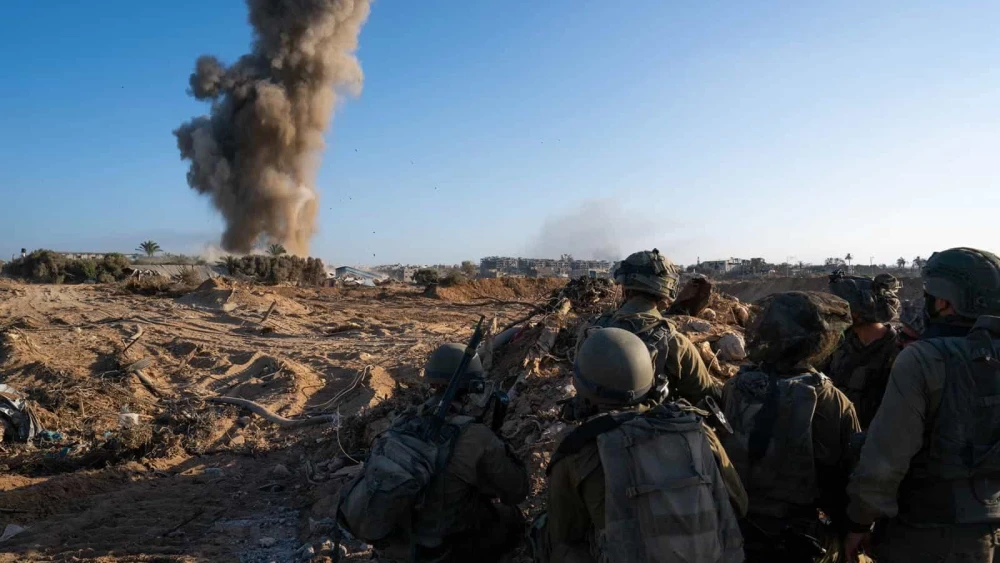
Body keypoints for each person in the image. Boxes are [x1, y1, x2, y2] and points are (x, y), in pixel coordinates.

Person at [845, 247, 1000, 563]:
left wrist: (859, 520)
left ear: (944, 302)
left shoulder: (924, 359)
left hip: (928, 533)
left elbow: (887, 456)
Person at [547, 327, 747, 563]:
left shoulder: (579, 452)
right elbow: (740, 505)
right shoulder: (696, 429)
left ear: (583, 386)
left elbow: (564, 534)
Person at [338, 343, 529, 563]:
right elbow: (516, 491)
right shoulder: (474, 436)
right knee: (510, 519)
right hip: (439, 553)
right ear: (472, 387)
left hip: (394, 548)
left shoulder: (404, 421)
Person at [720, 291, 861, 562]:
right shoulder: (829, 398)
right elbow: (847, 475)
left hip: (737, 530)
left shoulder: (736, 386)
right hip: (797, 538)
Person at [577, 249, 719, 408]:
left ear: (625, 288)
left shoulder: (591, 329)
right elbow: (707, 398)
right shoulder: (677, 344)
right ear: (666, 294)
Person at [822, 271, 902, 428]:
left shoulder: (897, 352)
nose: (837, 313)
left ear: (859, 313)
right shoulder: (839, 343)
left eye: (843, 308)